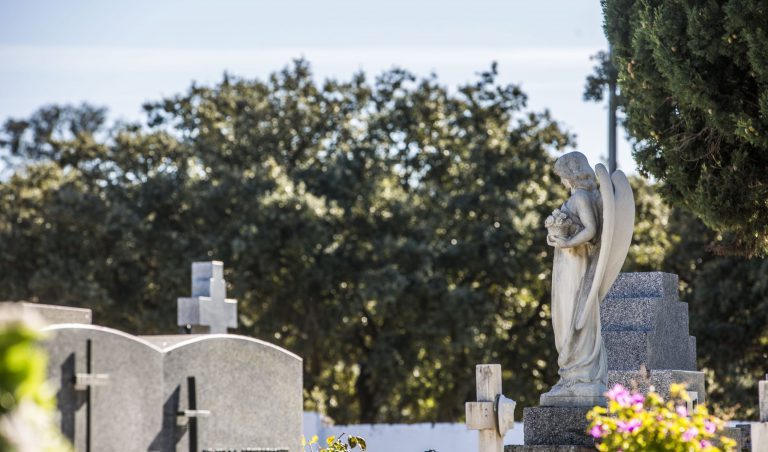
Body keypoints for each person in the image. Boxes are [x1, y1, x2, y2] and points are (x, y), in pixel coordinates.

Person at [543, 151, 608, 401]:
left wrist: (568, 242)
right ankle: (568, 375)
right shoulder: (576, 197)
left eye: (562, 176)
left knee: (572, 317)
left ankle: (580, 375)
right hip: (565, 263)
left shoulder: (581, 196)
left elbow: (591, 230)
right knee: (561, 319)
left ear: (571, 174)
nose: (562, 182)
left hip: (576, 264)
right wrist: (555, 238)